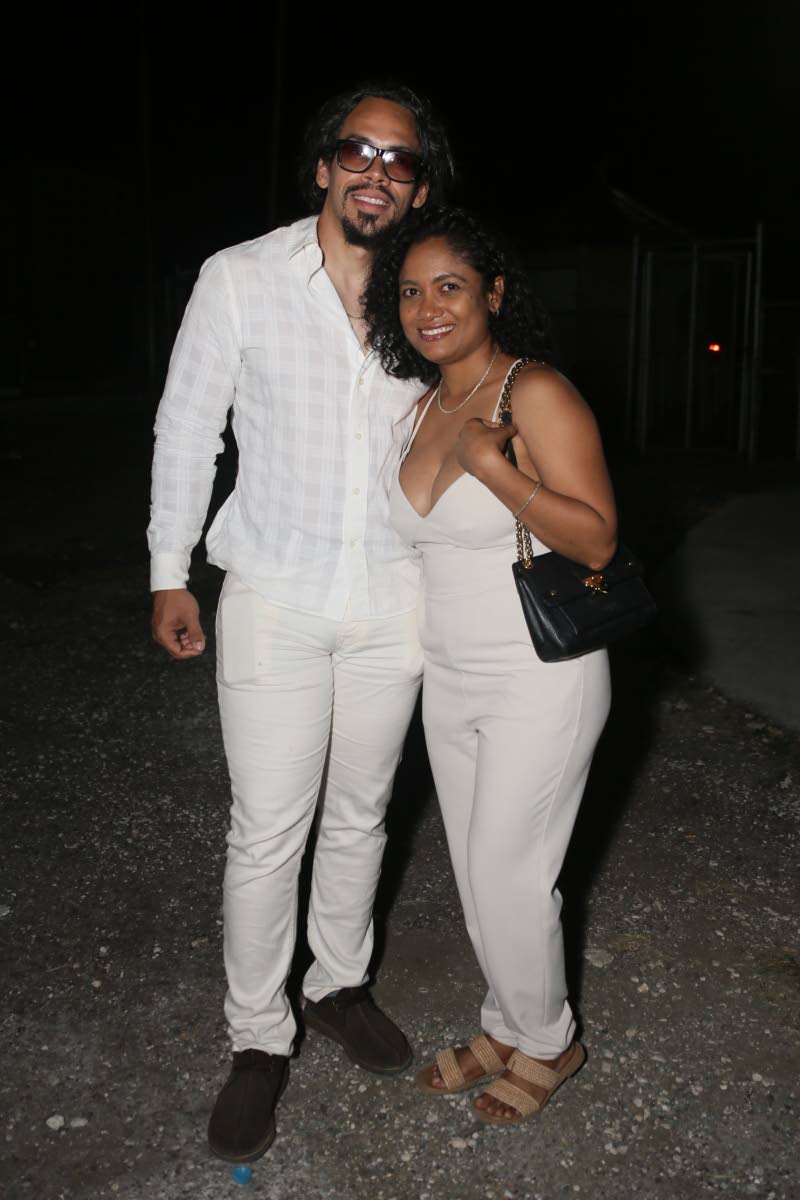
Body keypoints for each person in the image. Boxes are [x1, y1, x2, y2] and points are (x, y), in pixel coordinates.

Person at [147, 83, 454, 1162]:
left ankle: (335, 984)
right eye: (356, 150)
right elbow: (188, 427)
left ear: (418, 181)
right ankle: (256, 1041)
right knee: (267, 825)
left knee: (363, 812)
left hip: (394, 597)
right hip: (272, 593)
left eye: (400, 158)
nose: (377, 170)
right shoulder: (238, 278)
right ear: (320, 164)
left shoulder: (428, 295)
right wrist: (168, 570)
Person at [363, 208, 616, 1125]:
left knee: (511, 869)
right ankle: (505, 1019)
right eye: (411, 290)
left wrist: (495, 469)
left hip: (538, 676)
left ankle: (550, 1038)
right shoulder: (418, 402)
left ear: (494, 293)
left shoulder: (534, 392)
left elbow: (597, 537)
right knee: (476, 871)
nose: (429, 307)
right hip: (450, 675)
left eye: (450, 286)